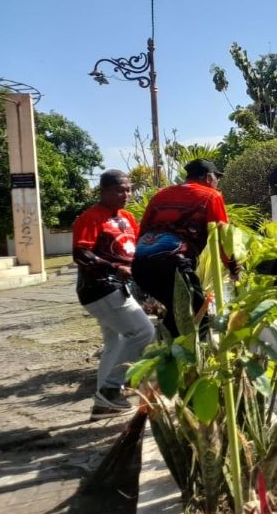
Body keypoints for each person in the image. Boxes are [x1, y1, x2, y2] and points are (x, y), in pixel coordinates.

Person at [72, 170, 155, 419]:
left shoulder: (128, 218)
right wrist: (113, 268)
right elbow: (81, 255)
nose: (126, 194)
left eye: (129, 189)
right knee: (143, 332)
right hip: (100, 288)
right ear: (104, 191)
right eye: (120, 189)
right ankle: (110, 391)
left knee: (115, 343)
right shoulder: (91, 218)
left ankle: (103, 404)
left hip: (121, 288)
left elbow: (139, 248)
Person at [132, 159, 229, 338]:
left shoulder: (161, 194)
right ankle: (188, 361)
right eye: (217, 177)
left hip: (140, 266)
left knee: (178, 314)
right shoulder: (211, 195)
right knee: (198, 316)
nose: (217, 182)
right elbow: (223, 236)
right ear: (208, 178)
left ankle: (170, 355)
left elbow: (142, 231)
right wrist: (233, 267)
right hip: (173, 265)